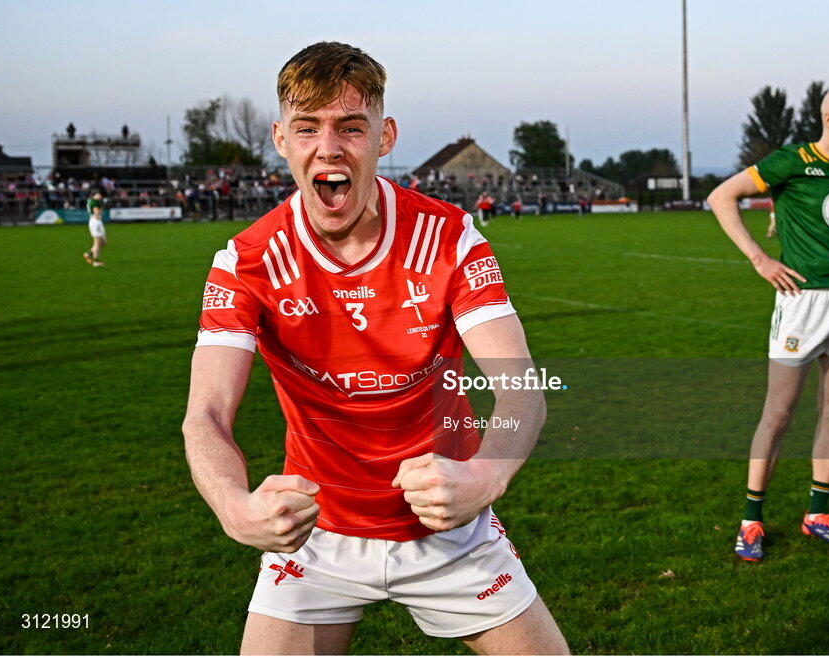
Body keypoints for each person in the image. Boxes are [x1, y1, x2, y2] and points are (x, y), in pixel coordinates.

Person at [182, 42, 568, 655]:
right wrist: (231, 504)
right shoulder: (247, 261)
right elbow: (205, 413)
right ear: (281, 139)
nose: (328, 148)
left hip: (449, 528)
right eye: (307, 128)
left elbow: (519, 385)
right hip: (314, 534)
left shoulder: (449, 238)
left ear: (384, 137)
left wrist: (486, 477)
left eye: (350, 128)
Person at [707, 86, 829, 562]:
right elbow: (722, 197)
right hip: (802, 302)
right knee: (778, 413)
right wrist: (759, 258)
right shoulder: (792, 161)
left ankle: (818, 513)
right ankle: (751, 520)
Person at [83, 191, 106, 266]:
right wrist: (98, 216)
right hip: (96, 222)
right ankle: (96, 261)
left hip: (95, 222)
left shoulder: (91, 201)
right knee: (97, 242)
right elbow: (96, 213)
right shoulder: (95, 202)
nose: (100, 196)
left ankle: (88, 254)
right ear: (94, 195)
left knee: (103, 242)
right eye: (98, 194)